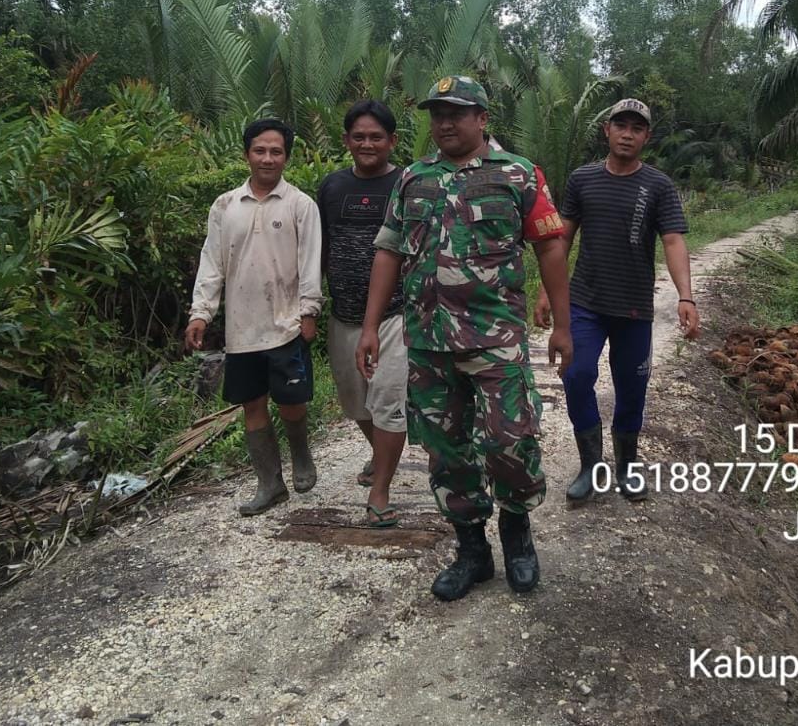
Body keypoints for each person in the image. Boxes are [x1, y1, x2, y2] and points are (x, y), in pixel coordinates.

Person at [355, 75, 573, 601]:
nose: (445, 123)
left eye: (457, 112)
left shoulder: (518, 175)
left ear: (482, 119)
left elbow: (549, 248)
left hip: (495, 340)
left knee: (508, 441)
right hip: (428, 342)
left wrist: (563, 325)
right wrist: (369, 325)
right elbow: (389, 250)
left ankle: (518, 537)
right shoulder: (413, 178)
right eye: (437, 114)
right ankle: (472, 551)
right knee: (445, 451)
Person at [535, 98, 701, 502]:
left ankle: (627, 465)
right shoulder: (583, 179)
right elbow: (563, 236)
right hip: (585, 302)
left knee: (632, 387)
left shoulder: (658, 186)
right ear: (607, 130)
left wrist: (686, 296)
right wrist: (545, 289)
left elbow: (674, 240)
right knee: (575, 376)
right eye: (620, 126)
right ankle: (591, 464)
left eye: (637, 128)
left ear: (646, 136)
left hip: (634, 307)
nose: (628, 134)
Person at [185, 118, 323, 516]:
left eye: (276, 151)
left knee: (292, 401)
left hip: (287, 325)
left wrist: (309, 310)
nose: (267, 158)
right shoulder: (225, 206)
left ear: (286, 157)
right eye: (260, 150)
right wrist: (201, 313)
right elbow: (212, 262)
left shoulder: (300, 205)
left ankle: (300, 454)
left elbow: (309, 262)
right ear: (246, 154)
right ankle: (269, 483)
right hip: (242, 328)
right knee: (252, 404)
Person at [316, 100, 407, 528]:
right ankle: (380, 452)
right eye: (359, 136)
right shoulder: (331, 187)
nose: (367, 144)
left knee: (388, 398)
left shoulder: (408, 183)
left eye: (376, 137)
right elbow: (321, 247)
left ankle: (381, 489)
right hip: (344, 314)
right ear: (346, 141)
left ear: (392, 140)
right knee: (357, 404)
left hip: (396, 314)